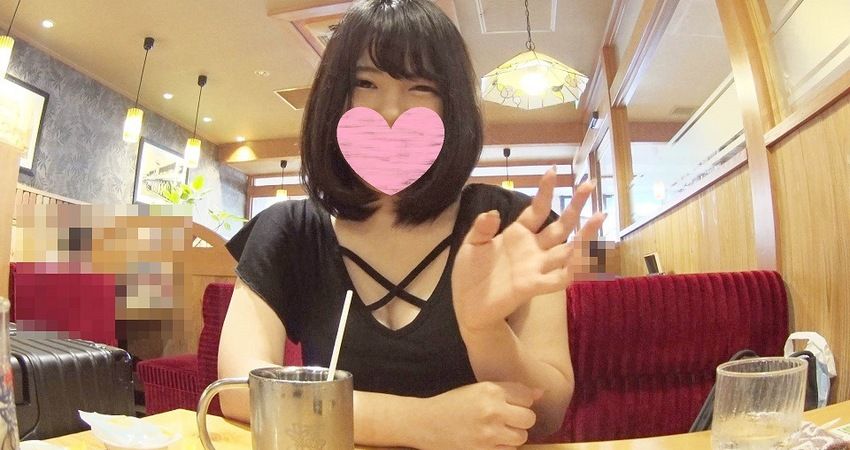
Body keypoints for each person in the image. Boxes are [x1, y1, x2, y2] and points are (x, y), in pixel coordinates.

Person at [218, 0, 605, 448]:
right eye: (365, 82)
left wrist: (484, 330)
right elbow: (237, 390)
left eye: (421, 87)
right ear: (333, 96)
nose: (390, 110)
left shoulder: (513, 227)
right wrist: (417, 421)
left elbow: (548, 414)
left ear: (452, 105)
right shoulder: (288, 230)